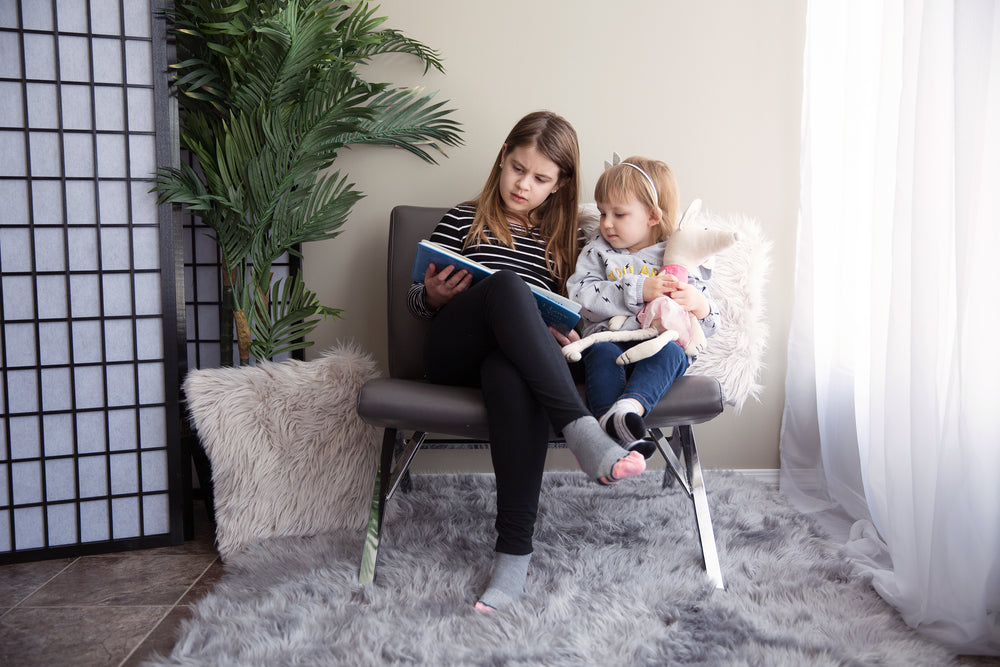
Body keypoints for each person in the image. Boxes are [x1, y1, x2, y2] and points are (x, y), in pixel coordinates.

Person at [407, 111, 646, 613]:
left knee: (508, 368)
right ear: (502, 161)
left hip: (515, 366)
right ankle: (581, 431)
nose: (524, 184)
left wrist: (567, 327)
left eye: (540, 179)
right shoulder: (463, 217)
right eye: (518, 169)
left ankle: (512, 555)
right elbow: (414, 302)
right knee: (508, 287)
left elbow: (583, 311)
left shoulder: (565, 247)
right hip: (452, 355)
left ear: (558, 187)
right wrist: (429, 296)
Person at [567, 157, 719, 445]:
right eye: (602, 213)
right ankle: (608, 426)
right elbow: (580, 297)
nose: (606, 223)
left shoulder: (678, 255)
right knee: (601, 354)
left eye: (619, 214)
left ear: (652, 216)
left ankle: (629, 410)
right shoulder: (598, 252)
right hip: (609, 342)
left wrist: (699, 305)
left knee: (675, 354)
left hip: (658, 347)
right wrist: (638, 291)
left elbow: (708, 327)